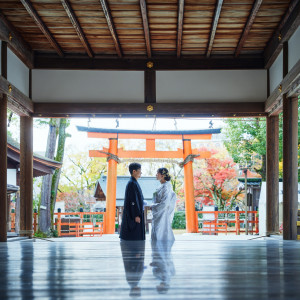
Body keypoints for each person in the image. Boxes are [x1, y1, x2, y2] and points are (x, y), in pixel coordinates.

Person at [120, 162, 145, 241]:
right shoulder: (132, 183)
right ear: (134, 171)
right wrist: (136, 215)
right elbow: (133, 201)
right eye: (140, 170)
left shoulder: (134, 182)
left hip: (135, 213)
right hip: (133, 215)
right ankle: (135, 252)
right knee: (134, 236)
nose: (141, 172)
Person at [151, 168, 176, 241]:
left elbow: (165, 203)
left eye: (157, 173)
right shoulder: (162, 186)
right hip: (159, 214)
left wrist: (153, 206)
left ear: (162, 175)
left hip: (163, 214)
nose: (156, 175)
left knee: (161, 235)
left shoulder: (166, 187)